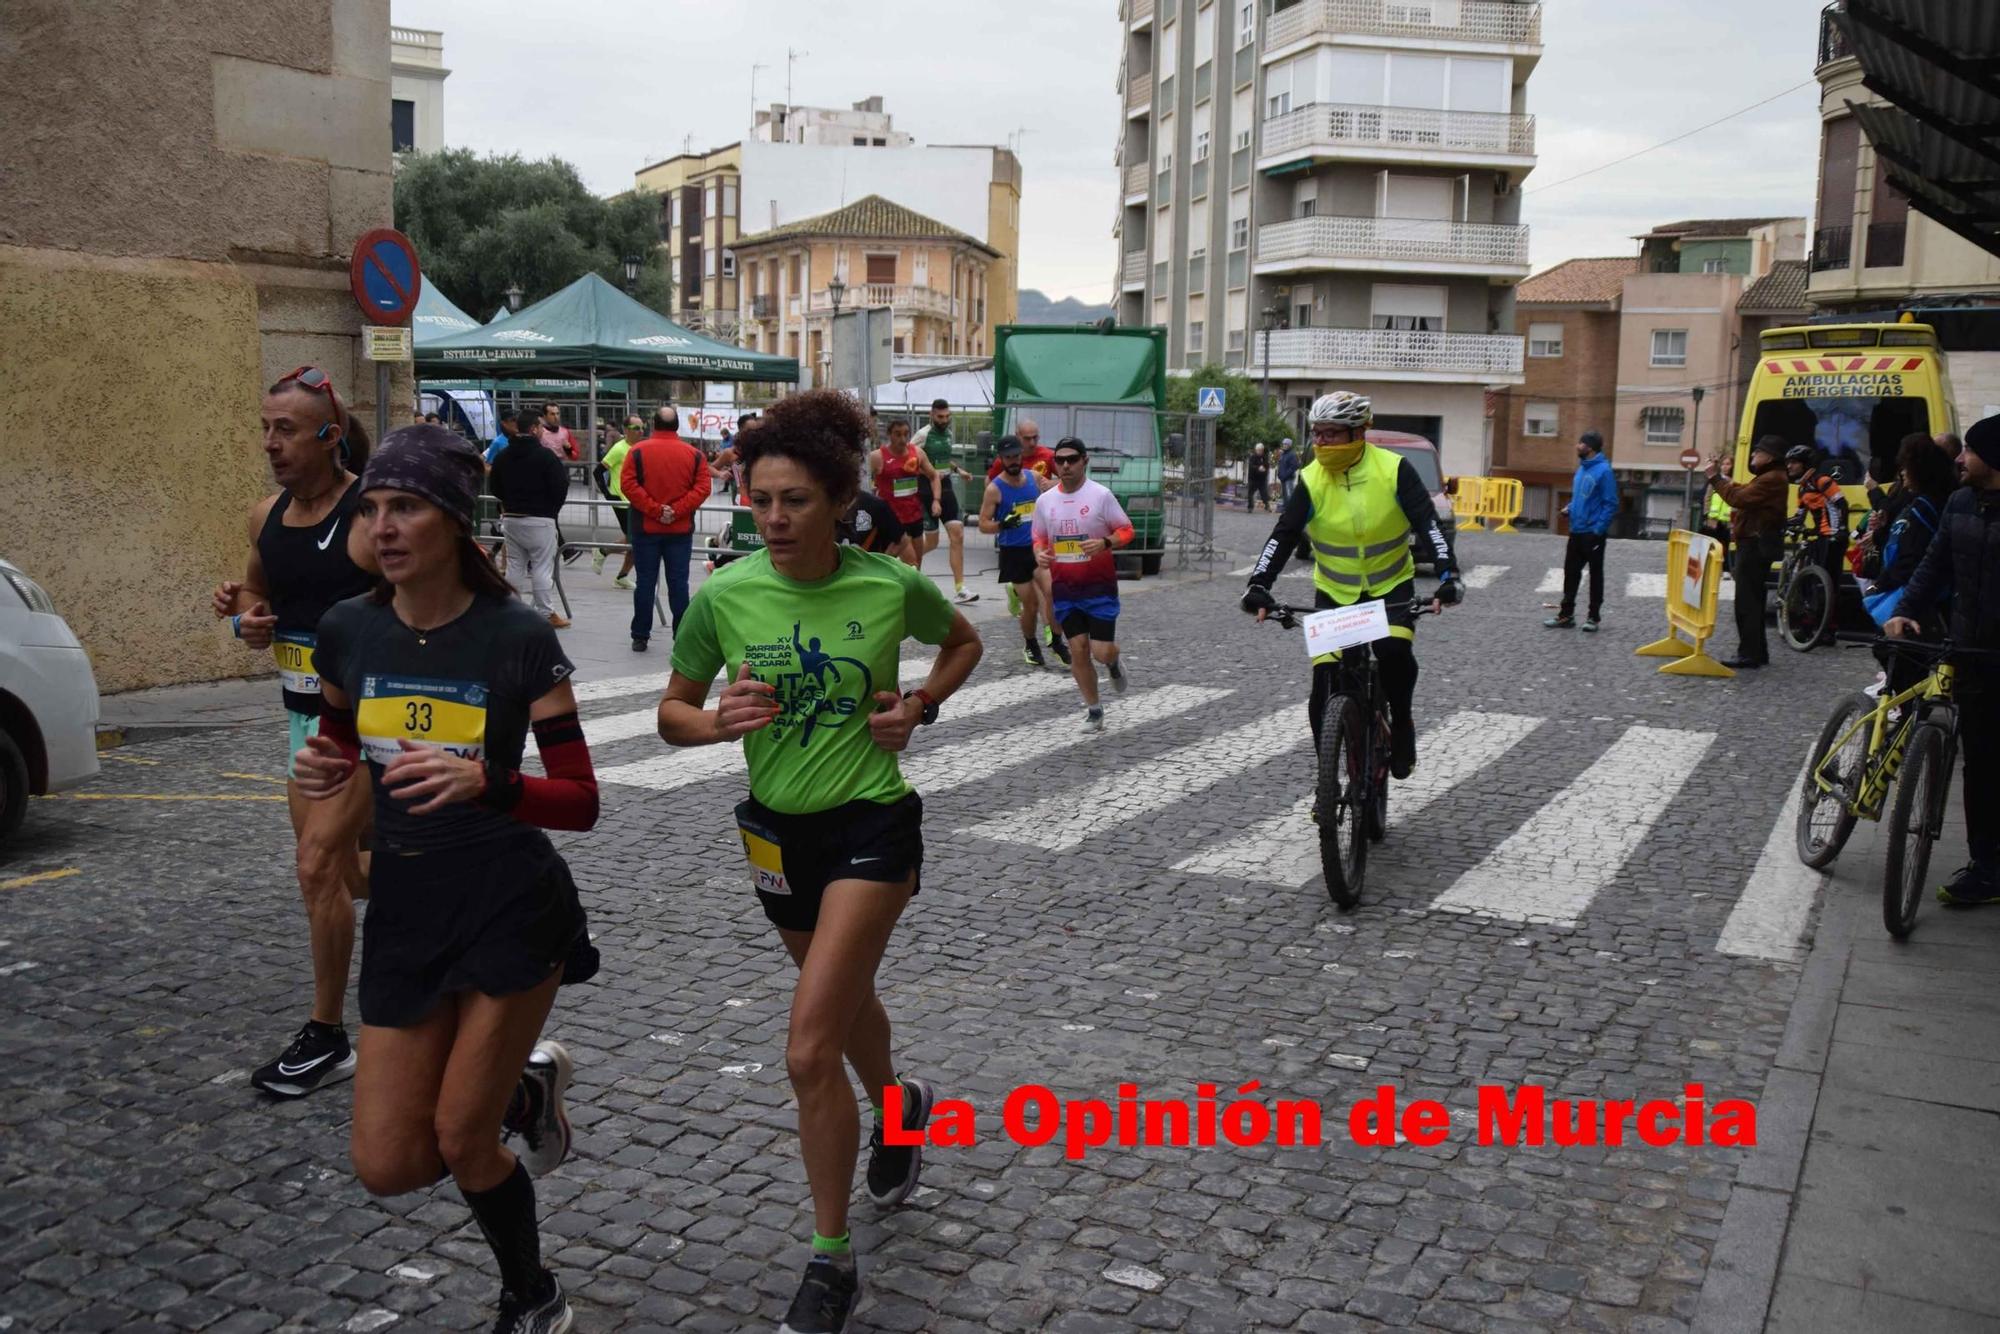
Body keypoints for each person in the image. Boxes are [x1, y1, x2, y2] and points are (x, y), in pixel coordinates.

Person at [651, 389, 982, 1334]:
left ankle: (830, 1261)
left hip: (872, 827)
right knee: (839, 1010)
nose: (775, 519)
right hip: (776, 834)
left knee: (805, 1048)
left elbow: (964, 642)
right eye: (759, 501)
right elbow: (671, 713)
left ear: (840, 499)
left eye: (795, 500)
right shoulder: (724, 596)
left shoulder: (886, 585)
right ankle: (901, 1101)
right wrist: (715, 723)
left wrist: (918, 708)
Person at [294, 425, 598, 1334]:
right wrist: (326, 770)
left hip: (510, 906)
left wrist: (490, 781)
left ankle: (532, 1295)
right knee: (387, 1163)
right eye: (374, 508)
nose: (384, 526)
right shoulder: (350, 630)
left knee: (463, 1141)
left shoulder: (515, 636)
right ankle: (521, 1090)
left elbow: (580, 801)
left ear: (455, 523)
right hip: (408, 908)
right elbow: (345, 746)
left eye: (407, 508)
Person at [211, 366, 378, 1098]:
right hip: (303, 722)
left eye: (286, 429)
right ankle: (464, 897)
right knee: (343, 876)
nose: (271, 444)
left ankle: (326, 1034)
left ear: (330, 437)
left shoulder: (370, 516)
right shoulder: (264, 517)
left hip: (372, 724)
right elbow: (255, 591)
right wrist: (246, 617)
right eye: (265, 429)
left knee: (315, 865)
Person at [1239, 391, 1461, 780]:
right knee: (1322, 684)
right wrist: (1259, 584)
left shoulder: (1394, 470)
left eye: (1331, 434)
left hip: (1390, 586)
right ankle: (1328, 774)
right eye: (1316, 435)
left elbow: (1428, 524)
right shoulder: (1311, 479)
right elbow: (1284, 535)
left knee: (1393, 653)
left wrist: (1448, 575)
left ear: (1359, 433)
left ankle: (1403, 723)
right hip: (1335, 592)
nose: (1321, 443)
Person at [1885, 414, 2000, 905]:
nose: (1959, 458)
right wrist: (1906, 610)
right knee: (1980, 766)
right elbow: (1934, 564)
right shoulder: (1959, 502)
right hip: (1969, 651)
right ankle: (1986, 866)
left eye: (1969, 450)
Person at [1035, 437, 1139, 730]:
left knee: (1101, 651)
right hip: (1065, 589)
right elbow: (1039, 536)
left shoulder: (1101, 496)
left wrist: (1106, 542)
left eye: (1072, 460)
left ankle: (1114, 662)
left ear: (1084, 462)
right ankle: (1094, 710)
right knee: (1078, 648)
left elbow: (1127, 529)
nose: (1065, 466)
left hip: (1099, 587)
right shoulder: (1045, 501)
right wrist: (1039, 553)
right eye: (1060, 460)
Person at [1866, 432, 1956, 694]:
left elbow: (1915, 557)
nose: (1902, 473)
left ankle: (1910, 714)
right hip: (1915, 593)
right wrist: (1882, 530)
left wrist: (1881, 584)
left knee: (1899, 654)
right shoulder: (1919, 501)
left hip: (1919, 598)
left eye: (1906, 467)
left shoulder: (1926, 505)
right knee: (1897, 655)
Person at [621, 404, 712, 652]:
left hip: (645, 528)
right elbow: (703, 488)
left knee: (645, 582)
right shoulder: (695, 455)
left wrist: (655, 509)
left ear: (653, 425)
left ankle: (640, 635)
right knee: (679, 584)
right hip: (680, 530)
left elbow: (628, 485)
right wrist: (678, 510)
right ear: (677, 426)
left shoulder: (637, 451)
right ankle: (681, 634)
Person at [980, 435, 1068, 669]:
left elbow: (1056, 489)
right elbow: (982, 524)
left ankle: (1057, 641)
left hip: (1037, 547)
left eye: (1016, 456)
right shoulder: (994, 490)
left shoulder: (1034, 478)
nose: (1013, 461)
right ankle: (1030, 643)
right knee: (1031, 605)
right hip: (1013, 553)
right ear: (1001, 459)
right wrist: (1002, 525)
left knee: (1053, 591)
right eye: (1008, 458)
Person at [1704, 436, 1789, 670]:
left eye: (1757, 452)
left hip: (1754, 545)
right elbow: (1742, 490)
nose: (1753, 456)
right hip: (1755, 543)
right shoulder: (1770, 477)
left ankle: (1749, 654)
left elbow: (1738, 498)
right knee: (1753, 600)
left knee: (1747, 602)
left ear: (1769, 456)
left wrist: (1714, 478)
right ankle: (1756, 651)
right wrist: (1721, 478)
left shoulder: (1771, 478)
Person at [490, 414, 572, 630]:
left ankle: (513, 609)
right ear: (535, 428)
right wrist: (551, 509)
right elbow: (560, 486)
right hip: (540, 518)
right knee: (542, 567)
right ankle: (545, 612)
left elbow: (494, 487)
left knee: (515, 565)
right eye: (541, 426)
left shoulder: (504, 455)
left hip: (512, 518)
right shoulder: (545, 456)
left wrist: (508, 502)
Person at [1545, 430, 1618, 632]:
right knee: (1570, 574)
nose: (1577, 446)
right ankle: (1566, 615)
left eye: (1581, 443)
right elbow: (1581, 499)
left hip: (1592, 533)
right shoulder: (1582, 470)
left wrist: (1598, 529)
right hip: (1576, 531)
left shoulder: (1604, 471)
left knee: (1595, 575)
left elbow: (1610, 503)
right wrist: (1569, 509)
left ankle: (1593, 617)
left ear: (1591, 447)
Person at [912, 398, 979, 604]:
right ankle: (907, 567)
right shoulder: (923, 435)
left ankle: (960, 588)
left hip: (947, 487)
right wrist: (929, 474)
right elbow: (908, 458)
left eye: (948, 416)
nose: (944, 420)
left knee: (957, 535)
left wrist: (959, 470)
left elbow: (942, 458)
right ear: (931, 415)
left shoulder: (949, 434)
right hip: (926, 490)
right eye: (940, 417)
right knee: (931, 542)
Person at [1786, 442, 1850, 642]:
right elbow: (1799, 516)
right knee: (1812, 582)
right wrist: (1781, 523)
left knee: (1829, 584)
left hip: (1833, 538)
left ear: (1805, 464)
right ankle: (1809, 625)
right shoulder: (1802, 488)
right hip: (1820, 537)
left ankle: (1828, 629)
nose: (1789, 467)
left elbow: (1842, 504)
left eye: (1794, 463)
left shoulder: (1823, 481)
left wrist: (1841, 529)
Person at [873, 418, 938, 571]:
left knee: (916, 567)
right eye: (897, 434)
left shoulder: (917, 453)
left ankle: (908, 593)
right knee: (911, 565)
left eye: (906, 434)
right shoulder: (877, 457)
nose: (902, 439)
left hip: (914, 516)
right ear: (889, 435)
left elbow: (934, 476)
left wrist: (936, 500)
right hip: (892, 518)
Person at [594, 416, 643, 590]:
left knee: (635, 539)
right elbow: (598, 471)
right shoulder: (619, 449)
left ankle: (620, 575)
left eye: (642, 427)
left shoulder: (639, 447)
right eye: (636, 428)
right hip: (621, 500)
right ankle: (603, 553)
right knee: (636, 539)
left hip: (636, 500)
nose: (641, 431)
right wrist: (608, 495)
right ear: (626, 429)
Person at [1247, 444, 1272, 512]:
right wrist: (1258, 468)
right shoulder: (1253, 457)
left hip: (1262, 479)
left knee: (1264, 493)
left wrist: (1264, 470)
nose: (1259, 451)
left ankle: (1267, 506)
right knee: (1250, 493)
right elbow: (1251, 467)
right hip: (1253, 478)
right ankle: (1250, 507)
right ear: (1256, 450)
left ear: (1262, 450)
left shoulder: (1264, 457)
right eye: (1258, 450)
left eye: (1260, 450)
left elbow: (1267, 466)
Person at [1276, 439, 1301, 507]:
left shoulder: (1292, 454)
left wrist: (1285, 475)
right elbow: (1281, 465)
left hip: (1288, 478)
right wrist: (1279, 474)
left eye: (1286, 444)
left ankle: (1290, 509)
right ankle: (1286, 509)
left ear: (1290, 445)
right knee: (1285, 495)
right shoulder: (1283, 454)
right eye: (1284, 444)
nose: (1284, 445)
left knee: (1289, 495)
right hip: (1283, 478)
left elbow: (1294, 466)